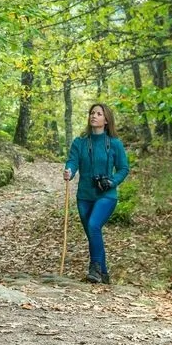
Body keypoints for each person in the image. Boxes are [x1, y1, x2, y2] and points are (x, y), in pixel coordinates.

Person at [63, 103, 130, 284]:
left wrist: (112, 181)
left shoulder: (115, 144)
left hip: (106, 195)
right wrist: (69, 170)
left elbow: (124, 168)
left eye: (99, 114)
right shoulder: (80, 142)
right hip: (84, 196)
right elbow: (72, 161)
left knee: (93, 226)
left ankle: (94, 268)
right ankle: (103, 274)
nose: (94, 116)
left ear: (106, 120)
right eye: (92, 113)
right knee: (93, 233)